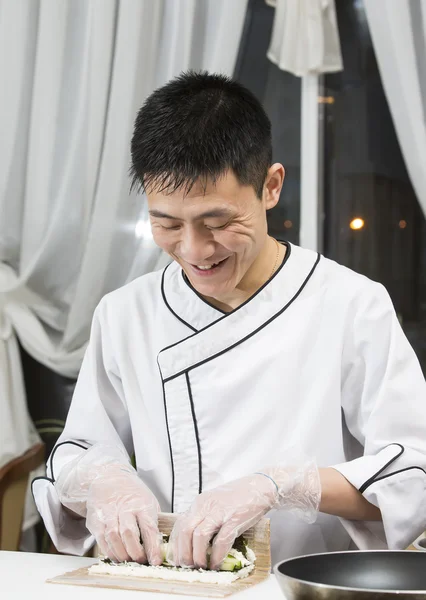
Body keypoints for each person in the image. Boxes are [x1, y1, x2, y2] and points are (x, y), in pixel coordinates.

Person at [33, 71, 426, 569]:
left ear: (271, 186)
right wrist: (104, 482)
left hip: (303, 587)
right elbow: (77, 451)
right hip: (163, 585)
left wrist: (284, 485)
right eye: (167, 224)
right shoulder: (125, 313)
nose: (194, 250)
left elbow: (414, 476)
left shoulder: (351, 305)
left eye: (218, 223)